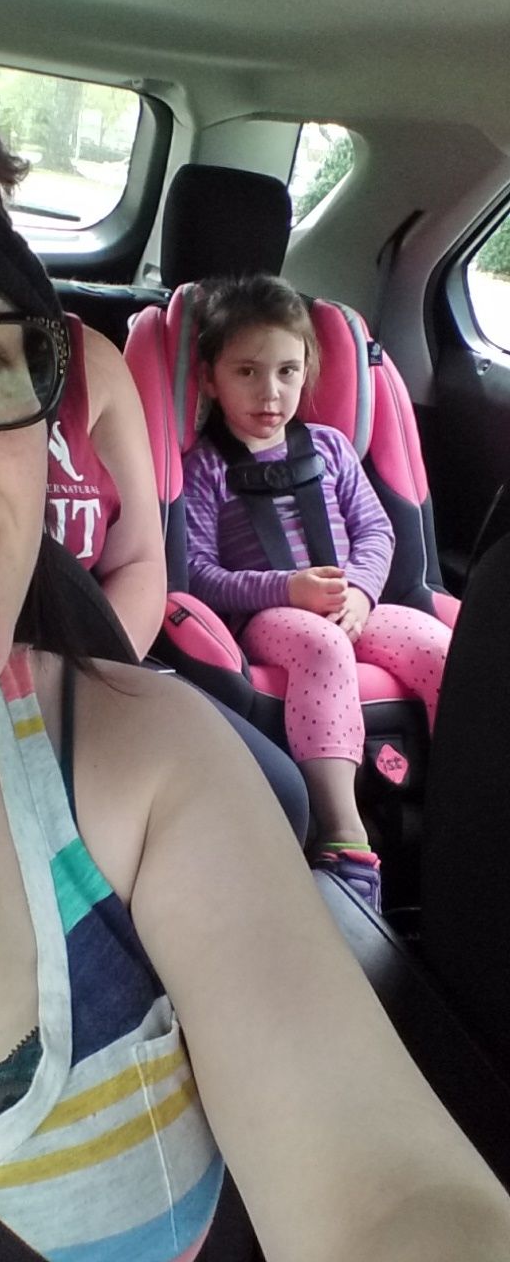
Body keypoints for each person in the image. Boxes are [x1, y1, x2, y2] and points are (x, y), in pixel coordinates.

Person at [0, 77, 508, 1262]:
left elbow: (389, 1197)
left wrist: (364, 592)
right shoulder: (207, 479)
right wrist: (287, 602)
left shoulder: (148, 763)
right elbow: (192, 562)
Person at [0, 55, 311, 842]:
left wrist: (70, 693)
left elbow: (142, 562)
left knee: (279, 797)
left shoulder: (88, 362)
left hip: (84, 672)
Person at [183, 275, 452, 908]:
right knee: (323, 648)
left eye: (287, 371)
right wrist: (287, 588)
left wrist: (360, 592)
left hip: (353, 604)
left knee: (436, 644)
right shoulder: (207, 466)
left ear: (307, 371)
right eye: (246, 372)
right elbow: (195, 570)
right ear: (209, 379)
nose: (270, 392)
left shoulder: (330, 448)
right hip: (270, 617)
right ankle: (344, 836)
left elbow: (376, 531)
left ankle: (470, 795)